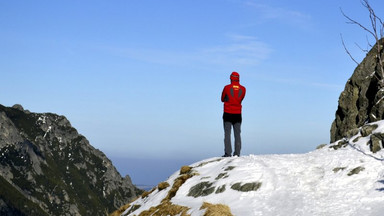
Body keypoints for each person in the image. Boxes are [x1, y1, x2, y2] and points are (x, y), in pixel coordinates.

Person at [221, 71, 246, 157]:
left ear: (231, 78)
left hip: (227, 113)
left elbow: (222, 98)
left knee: (227, 133)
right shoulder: (243, 89)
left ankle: (228, 153)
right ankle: (237, 153)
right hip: (238, 114)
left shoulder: (226, 88)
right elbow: (241, 99)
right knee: (237, 134)